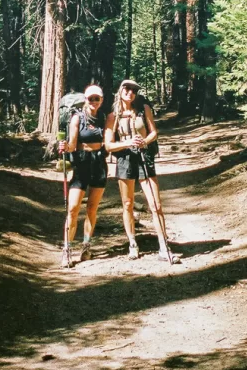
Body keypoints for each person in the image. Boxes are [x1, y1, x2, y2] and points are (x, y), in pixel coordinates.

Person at [104, 79, 180, 264]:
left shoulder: (143, 109)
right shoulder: (113, 116)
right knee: (128, 204)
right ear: (120, 90)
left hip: (144, 158)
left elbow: (154, 132)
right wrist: (127, 143)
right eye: (127, 89)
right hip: (125, 159)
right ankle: (132, 244)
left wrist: (144, 142)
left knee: (155, 204)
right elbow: (108, 145)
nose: (130, 92)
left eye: (134, 90)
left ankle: (163, 246)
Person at [58, 85, 108, 268]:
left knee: (92, 208)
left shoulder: (103, 117)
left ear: (101, 100)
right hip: (82, 165)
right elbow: (72, 144)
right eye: (91, 98)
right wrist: (64, 147)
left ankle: (86, 246)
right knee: (72, 208)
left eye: (97, 98)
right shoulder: (77, 118)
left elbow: (108, 141)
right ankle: (67, 249)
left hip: (99, 164)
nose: (94, 102)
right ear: (85, 99)